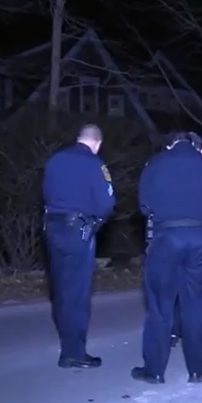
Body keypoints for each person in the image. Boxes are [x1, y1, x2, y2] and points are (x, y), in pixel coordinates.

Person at [133, 131, 202, 384]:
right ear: (195, 147)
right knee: (196, 306)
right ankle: (197, 369)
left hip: (166, 239)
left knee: (160, 307)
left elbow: (144, 206)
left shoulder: (155, 164)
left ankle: (154, 371)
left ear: (169, 144)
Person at [42, 124, 115, 369]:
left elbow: (46, 192)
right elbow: (106, 202)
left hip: (53, 228)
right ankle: (73, 353)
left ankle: (67, 341)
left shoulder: (55, 159)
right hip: (78, 230)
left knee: (60, 289)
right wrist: (96, 223)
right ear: (98, 143)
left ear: (78, 138)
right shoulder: (96, 164)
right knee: (78, 293)